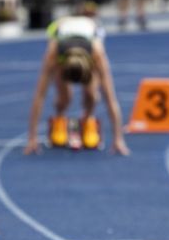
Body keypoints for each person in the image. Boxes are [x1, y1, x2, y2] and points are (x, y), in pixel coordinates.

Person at [25, 13, 130, 156]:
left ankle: (88, 119)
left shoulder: (97, 54)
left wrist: (118, 139)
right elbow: (39, 96)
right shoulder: (53, 53)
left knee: (92, 94)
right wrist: (32, 138)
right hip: (60, 30)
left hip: (90, 32)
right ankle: (60, 117)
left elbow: (110, 99)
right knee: (65, 97)